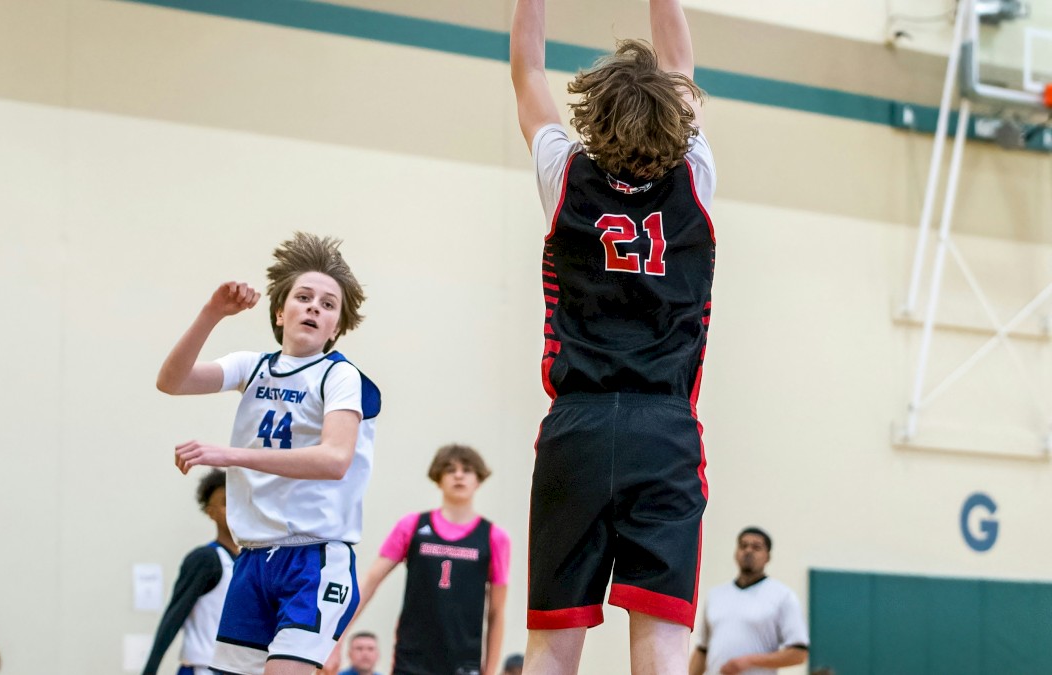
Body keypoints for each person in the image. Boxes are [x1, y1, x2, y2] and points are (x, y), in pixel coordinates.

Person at [510, 0, 716, 673]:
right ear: (677, 115)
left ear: (592, 116)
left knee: (550, 642)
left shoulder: (564, 174)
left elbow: (528, 73)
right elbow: (680, 64)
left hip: (578, 424)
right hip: (665, 427)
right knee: (661, 647)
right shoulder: (695, 176)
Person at [157, 232, 380, 675]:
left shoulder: (339, 377)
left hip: (315, 560)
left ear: (336, 326)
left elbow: (334, 459)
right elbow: (172, 381)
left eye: (328, 303)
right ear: (281, 311)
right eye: (304, 297)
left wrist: (233, 455)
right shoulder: (252, 366)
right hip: (255, 560)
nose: (315, 306)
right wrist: (212, 313)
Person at [347, 444, 510, 675]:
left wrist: (491, 670)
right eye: (450, 469)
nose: (459, 475)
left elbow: (496, 612)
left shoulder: (494, 537)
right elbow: (369, 581)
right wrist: (337, 636)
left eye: (467, 470)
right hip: (412, 660)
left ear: (479, 479)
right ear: (438, 478)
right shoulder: (412, 526)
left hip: (463, 662)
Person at [143, 469, 238, 675]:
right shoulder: (205, 559)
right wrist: (149, 670)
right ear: (210, 512)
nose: (234, 508)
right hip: (204, 668)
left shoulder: (255, 561)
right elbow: (174, 616)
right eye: (225, 503)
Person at [689, 528, 808, 675]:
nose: (748, 551)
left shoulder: (783, 596)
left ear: (767, 556)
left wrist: (749, 661)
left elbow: (799, 653)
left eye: (756, 547)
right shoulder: (715, 595)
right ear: (736, 553)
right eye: (743, 546)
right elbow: (702, 650)